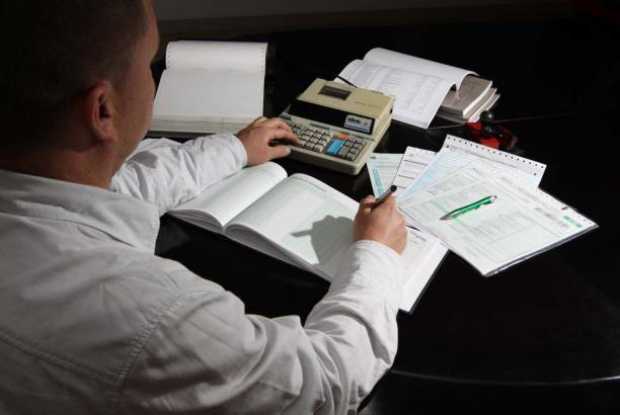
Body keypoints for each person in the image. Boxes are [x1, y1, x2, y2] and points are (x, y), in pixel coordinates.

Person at [0, 1, 407, 414]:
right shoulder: (157, 318)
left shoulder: (33, 187)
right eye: (150, 64)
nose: (154, 81)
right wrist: (377, 253)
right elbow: (326, 382)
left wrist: (234, 149)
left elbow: (126, 186)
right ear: (103, 109)